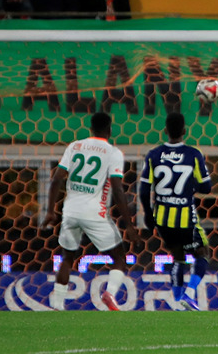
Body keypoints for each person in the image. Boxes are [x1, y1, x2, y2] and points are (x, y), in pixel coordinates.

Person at [42, 112, 139, 311]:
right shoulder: (113, 153)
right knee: (119, 257)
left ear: (91, 128)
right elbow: (118, 189)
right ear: (110, 130)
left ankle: (58, 305)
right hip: (95, 212)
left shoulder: (74, 146)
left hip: (70, 210)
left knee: (68, 258)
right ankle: (109, 293)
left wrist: (50, 211)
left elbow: (57, 179)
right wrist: (129, 224)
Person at [139, 113, 213, 311]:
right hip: (185, 218)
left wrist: (147, 214)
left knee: (178, 256)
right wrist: (190, 185)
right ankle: (189, 294)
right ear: (184, 131)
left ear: (165, 131)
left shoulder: (154, 154)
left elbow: (144, 189)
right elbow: (206, 188)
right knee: (202, 253)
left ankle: (179, 301)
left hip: (162, 218)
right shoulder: (192, 154)